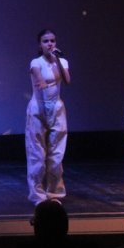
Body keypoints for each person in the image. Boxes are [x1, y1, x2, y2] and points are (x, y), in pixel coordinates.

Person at [25, 29, 71, 205]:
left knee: (56, 154)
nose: (50, 44)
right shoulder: (36, 62)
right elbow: (38, 75)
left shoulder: (62, 61)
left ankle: (54, 193)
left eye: (52, 40)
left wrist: (57, 60)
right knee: (37, 155)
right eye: (46, 41)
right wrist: (42, 82)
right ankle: (37, 195)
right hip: (38, 108)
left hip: (57, 108)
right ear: (40, 45)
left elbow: (67, 80)